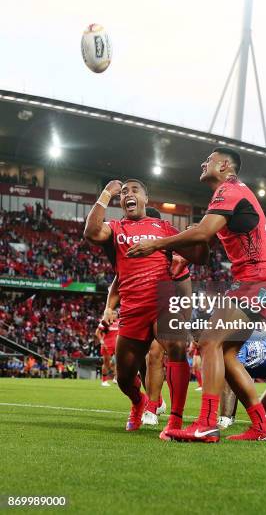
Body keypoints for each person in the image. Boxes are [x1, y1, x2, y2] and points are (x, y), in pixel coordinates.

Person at [127, 147, 266, 442]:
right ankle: (262, 426)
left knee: (209, 341)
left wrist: (156, 244)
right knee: (226, 354)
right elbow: (206, 238)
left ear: (224, 165)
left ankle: (207, 422)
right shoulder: (232, 192)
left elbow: (203, 233)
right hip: (261, 282)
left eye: (208, 160)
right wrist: (186, 255)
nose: (202, 163)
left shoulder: (230, 189)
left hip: (257, 281)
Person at [84, 179, 207, 438]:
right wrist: (106, 192)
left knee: (176, 346)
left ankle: (174, 420)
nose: (129, 194)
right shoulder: (115, 228)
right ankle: (139, 402)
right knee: (125, 378)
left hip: (162, 304)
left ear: (145, 199)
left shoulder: (164, 227)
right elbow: (91, 232)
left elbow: (200, 257)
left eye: (134, 190)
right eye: (124, 192)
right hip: (132, 310)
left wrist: (201, 236)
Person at [95, 310, 119, 386]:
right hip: (107, 345)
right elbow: (97, 332)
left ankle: (116, 378)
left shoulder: (120, 322)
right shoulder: (105, 322)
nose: (114, 315)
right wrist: (101, 341)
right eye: (112, 313)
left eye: (115, 313)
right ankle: (104, 381)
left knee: (118, 362)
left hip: (117, 345)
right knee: (106, 363)